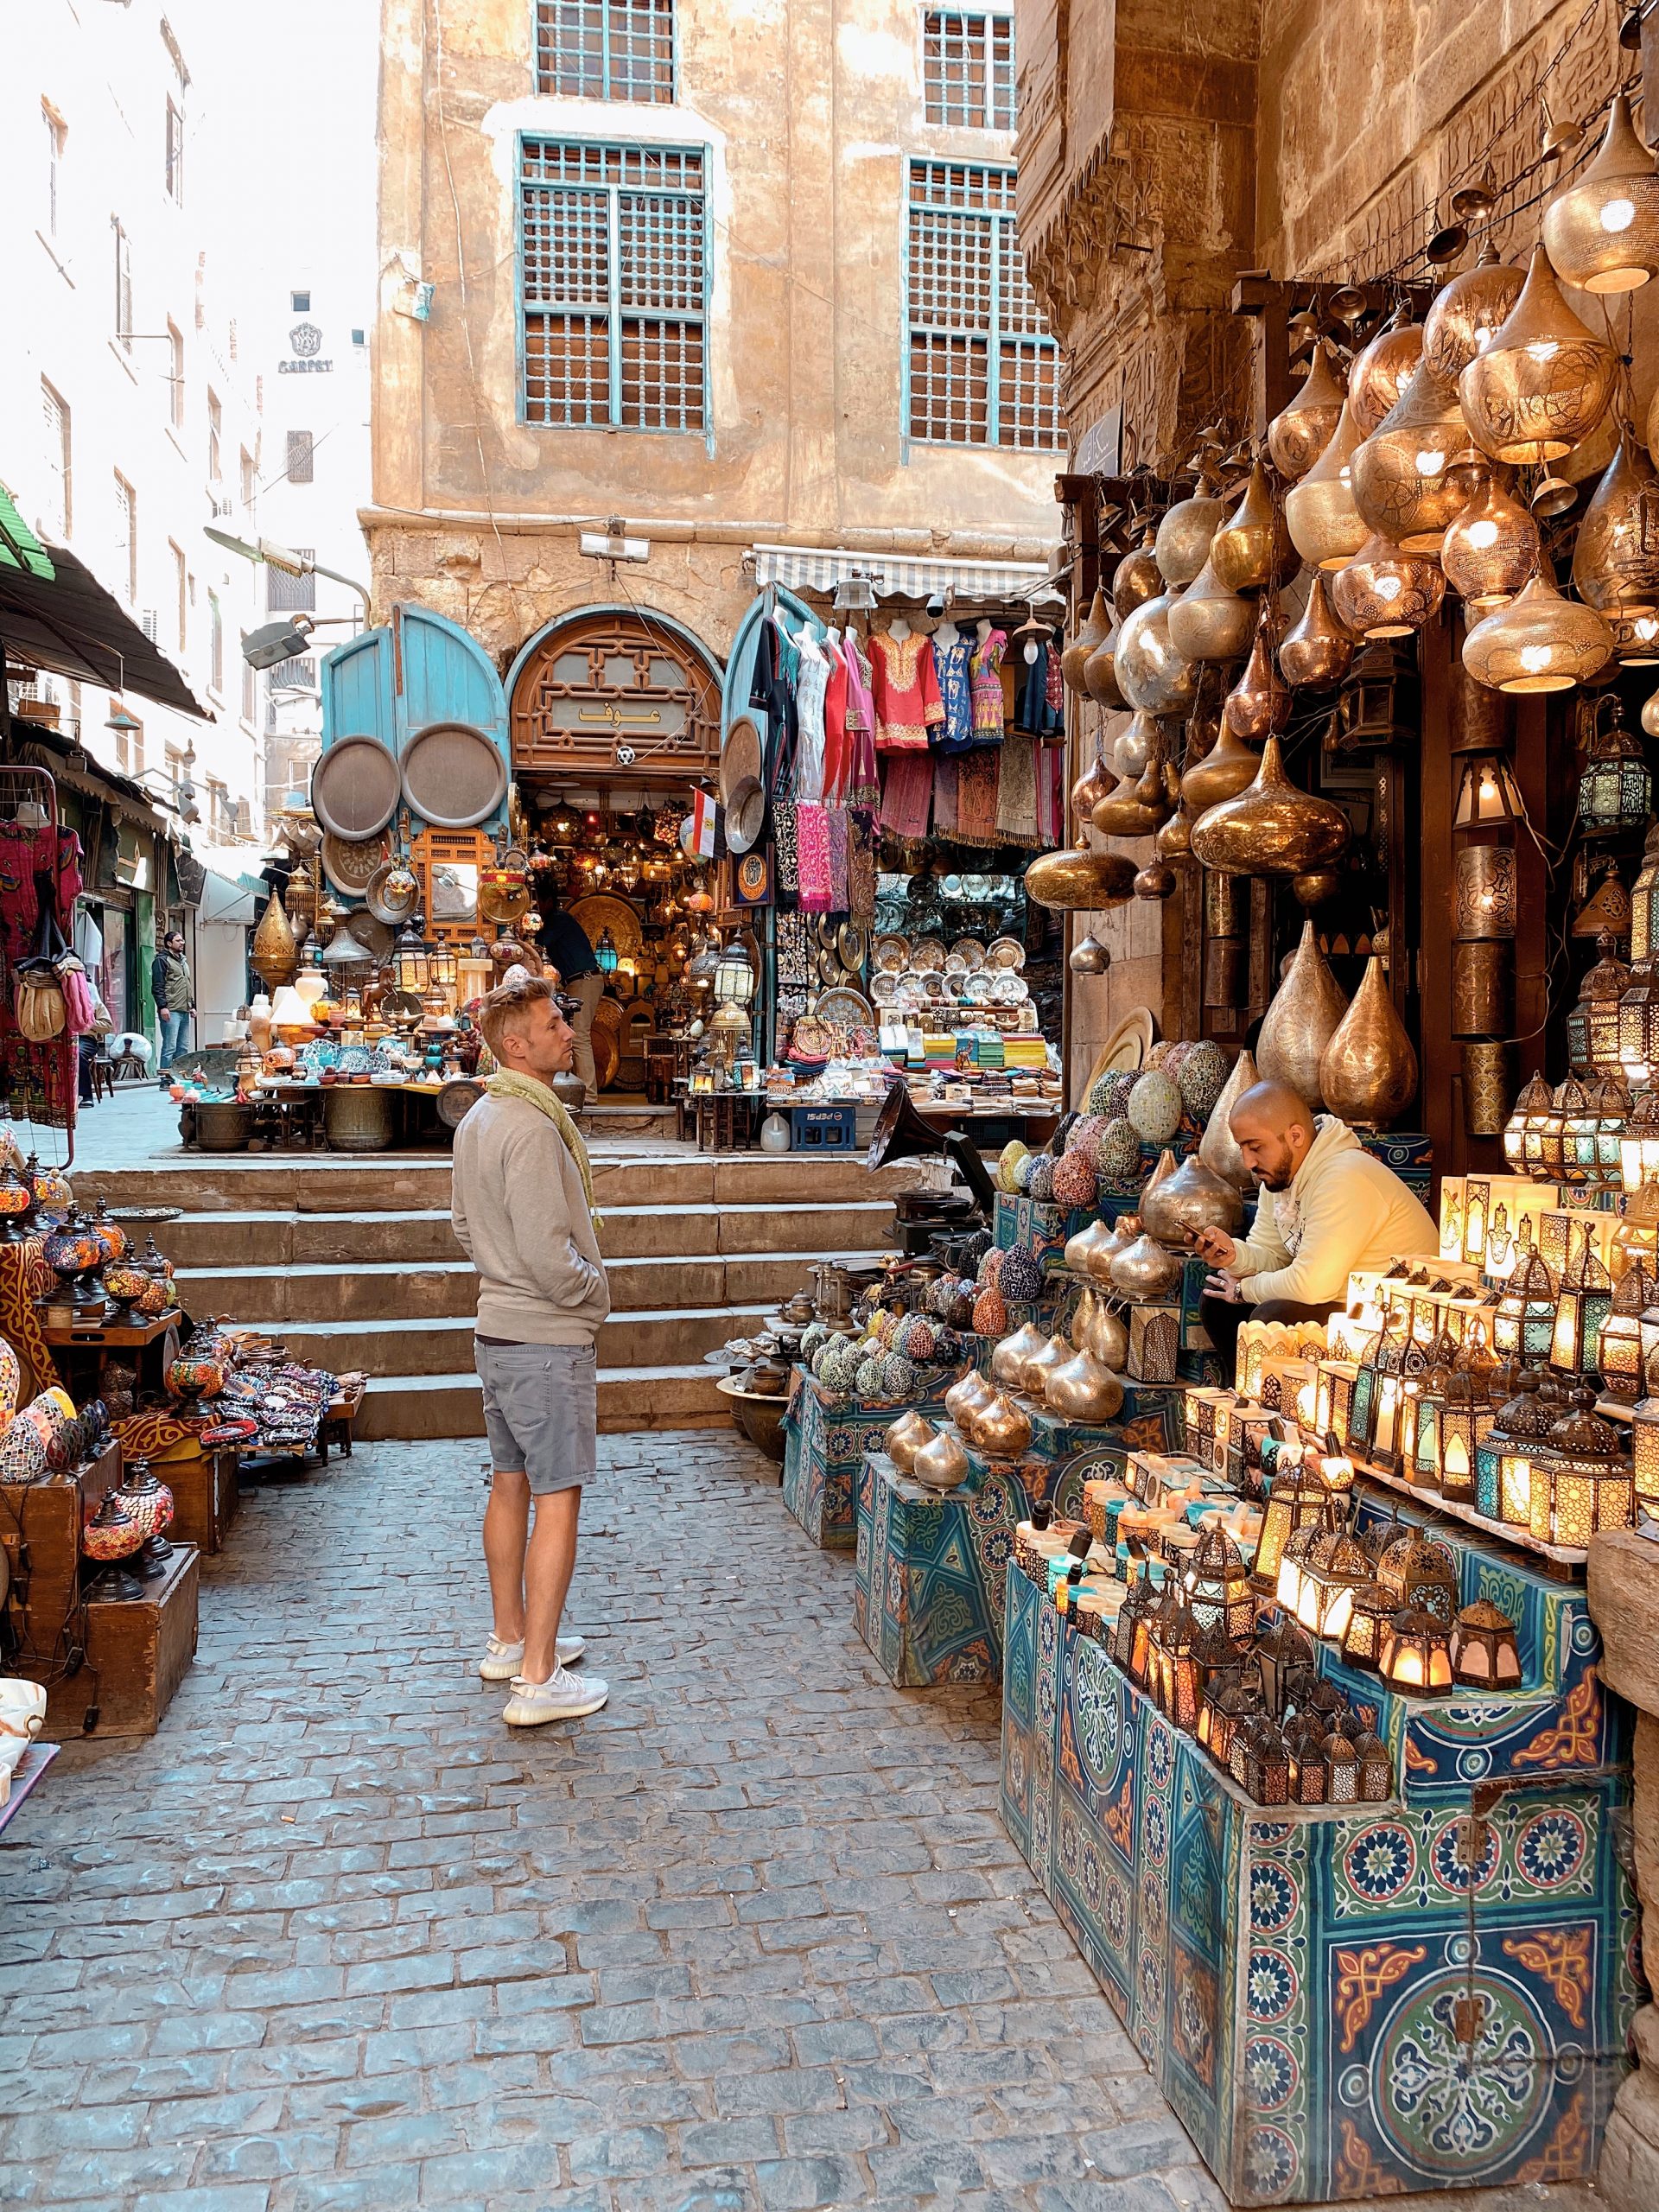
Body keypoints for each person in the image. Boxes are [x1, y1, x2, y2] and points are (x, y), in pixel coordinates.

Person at [450, 975, 611, 1727]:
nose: (564, 1032)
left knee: (509, 1484)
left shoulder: (480, 1118)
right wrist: (591, 1294)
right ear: (515, 1044)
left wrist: (501, 1271)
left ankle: (511, 1640)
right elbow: (553, 1258)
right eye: (551, 1024)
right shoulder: (533, 1126)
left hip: (496, 1330)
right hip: (544, 1336)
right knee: (557, 1497)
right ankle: (540, 1680)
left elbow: (461, 1227)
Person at [1192, 1078, 1438, 1380]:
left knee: (1274, 1319)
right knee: (1218, 1301)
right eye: (1242, 1147)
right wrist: (1233, 1256)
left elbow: (1311, 1285)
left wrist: (1245, 1290)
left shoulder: (1344, 1176)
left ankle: (1277, 1413)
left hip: (1390, 1317)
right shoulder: (1280, 1177)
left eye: (1255, 1147)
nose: (1247, 1162)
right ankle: (1243, 1398)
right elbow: (1272, 1254)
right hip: (1337, 1297)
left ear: (1295, 1136)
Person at [537, 895, 603, 1105]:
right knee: (573, 1035)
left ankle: (589, 1094)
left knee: (579, 1036)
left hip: (584, 979)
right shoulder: (557, 920)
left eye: (539, 901)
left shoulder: (558, 919)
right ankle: (577, 1089)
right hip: (578, 980)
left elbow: (540, 943)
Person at [150, 930, 194, 1077]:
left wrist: (192, 1005)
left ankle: (180, 1078)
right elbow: (158, 985)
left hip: (184, 1010)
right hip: (171, 1009)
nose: (182, 943)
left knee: (183, 1047)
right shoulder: (162, 960)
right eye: (178, 940)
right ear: (169, 943)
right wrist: (162, 1006)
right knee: (170, 1046)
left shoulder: (182, 961)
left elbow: (186, 984)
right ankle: (166, 1079)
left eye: (182, 940)